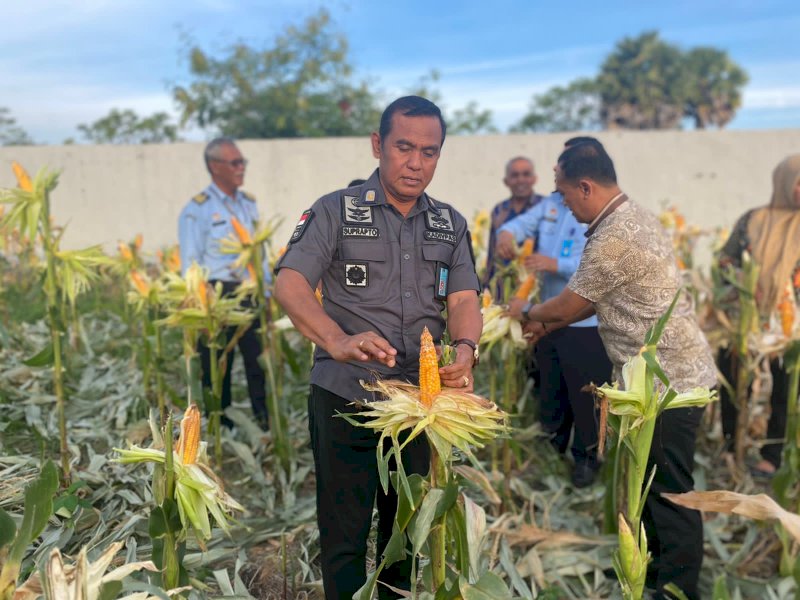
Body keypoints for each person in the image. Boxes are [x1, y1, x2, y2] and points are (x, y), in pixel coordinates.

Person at [273, 96, 481, 600]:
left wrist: (466, 350)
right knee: (344, 534)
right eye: (404, 148)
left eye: (429, 152)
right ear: (377, 145)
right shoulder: (334, 211)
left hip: (417, 404)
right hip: (346, 394)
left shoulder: (448, 224)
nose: (415, 163)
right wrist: (338, 340)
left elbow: (464, 296)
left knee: (404, 532)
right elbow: (290, 283)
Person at [508, 142, 716, 600]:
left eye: (564, 195)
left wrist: (527, 311)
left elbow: (572, 302)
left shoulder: (615, 236)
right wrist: (545, 328)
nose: (563, 204)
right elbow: (593, 301)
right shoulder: (627, 218)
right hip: (657, 379)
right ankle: (651, 571)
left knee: (669, 490)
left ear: (585, 186)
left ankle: (679, 587)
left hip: (668, 385)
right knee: (647, 483)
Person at [495, 137, 612, 488]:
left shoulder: (602, 212)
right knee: (552, 391)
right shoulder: (551, 204)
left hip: (585, 324)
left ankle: (587, 461)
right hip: (547, 318)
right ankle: (551, 454)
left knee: (586, 396)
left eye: (562, 165)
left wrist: (554, 263)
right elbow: (521, 224)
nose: (555, 171)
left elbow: (598, 265)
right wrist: (505, 232)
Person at [178, 137, 270, 430]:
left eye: (243, 162)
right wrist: (199, 305)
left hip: (249, 291)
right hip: (217, 294)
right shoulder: (197, 209)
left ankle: (264, 419)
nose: (242, 168)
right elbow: (190, 263)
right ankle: (221, 422)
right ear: (214, 167)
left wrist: (266, 292)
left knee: (259, 360)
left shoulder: (248, 204)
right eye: (235, 163)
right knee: (217, 363)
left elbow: (260, 254)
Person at [717, 154, 800, 476]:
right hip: (743, 318)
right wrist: (744, 284)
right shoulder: (752, 219)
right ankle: (730, 445)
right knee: (734, 381)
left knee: (785, 387)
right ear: (784, 182)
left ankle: (772, 454)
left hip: (789, 323)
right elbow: (725, 261)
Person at [483, 156, 543, 297]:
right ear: (506, 181)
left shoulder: (545, 207)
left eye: (526, 174)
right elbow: (492, 253)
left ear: (534, 179)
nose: (520, 180)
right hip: (503, 287)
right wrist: (485, 286)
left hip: (536, 289)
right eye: (515, 175)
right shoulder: (499, 210)